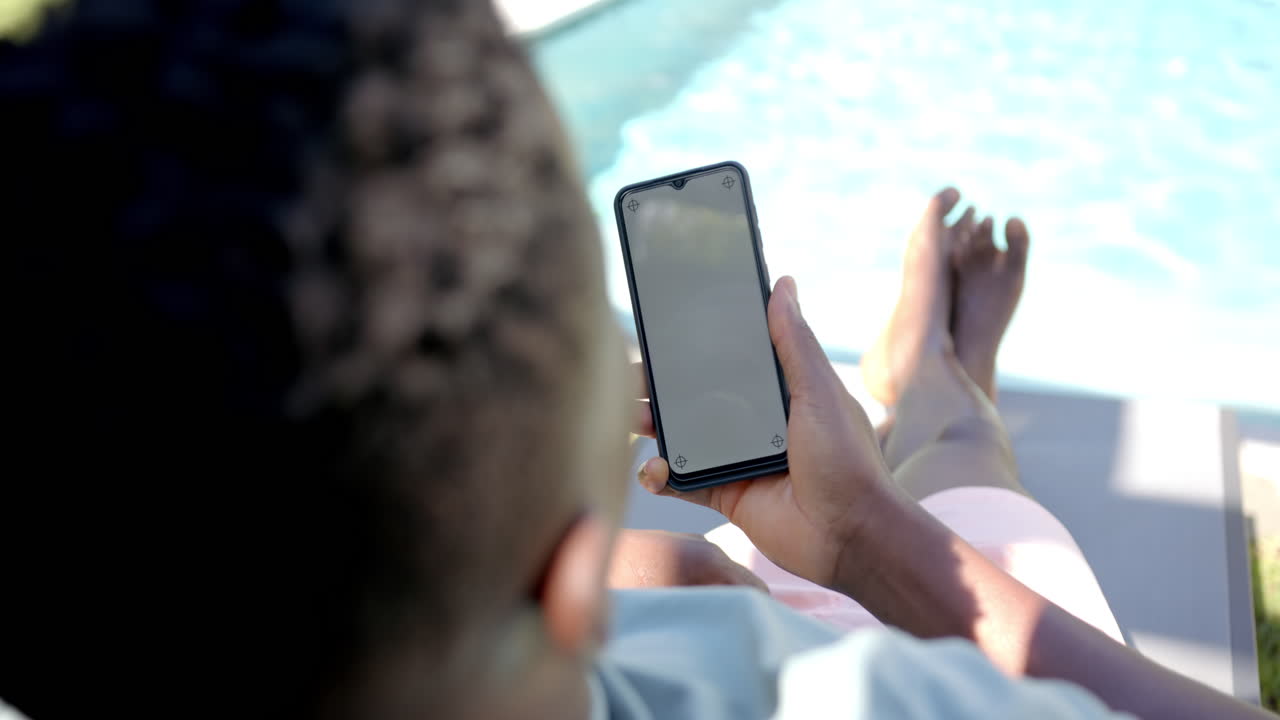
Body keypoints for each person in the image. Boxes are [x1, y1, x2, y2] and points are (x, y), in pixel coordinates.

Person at [0, 1, 1264, 719]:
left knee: (702, 570)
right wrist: (865, 539)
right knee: (975, 509)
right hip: (872, 604)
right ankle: (938, 391)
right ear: (562, 592)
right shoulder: (861, 705)